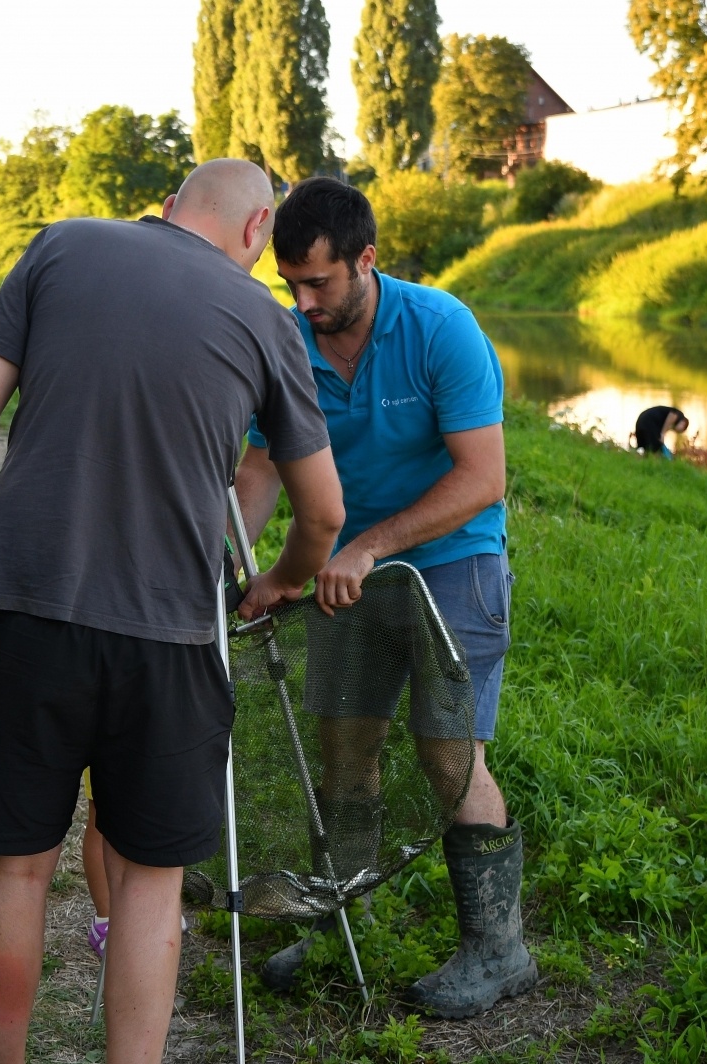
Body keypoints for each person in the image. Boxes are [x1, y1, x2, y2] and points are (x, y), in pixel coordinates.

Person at [0, 158, 345, 1064]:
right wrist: (278, 579)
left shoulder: (61, 246)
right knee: (150, 883)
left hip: (25, 611)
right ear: (257, 230)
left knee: (14, 866)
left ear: (167, 209)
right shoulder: (267, 320)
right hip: (170, 638)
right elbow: (323, 513)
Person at [234, 176, 535, 1018]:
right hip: (346, 574)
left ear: (366, 259)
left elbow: (483, 478)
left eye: (318, 282)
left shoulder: (441, 327)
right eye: (290, 283)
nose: (304, 302)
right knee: (344, 750)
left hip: (453, 562)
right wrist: (236, 562)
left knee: (449, 752)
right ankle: (342, 923)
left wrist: (368, 545)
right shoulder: (290, 342)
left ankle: (500, 949)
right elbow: (259, 470)